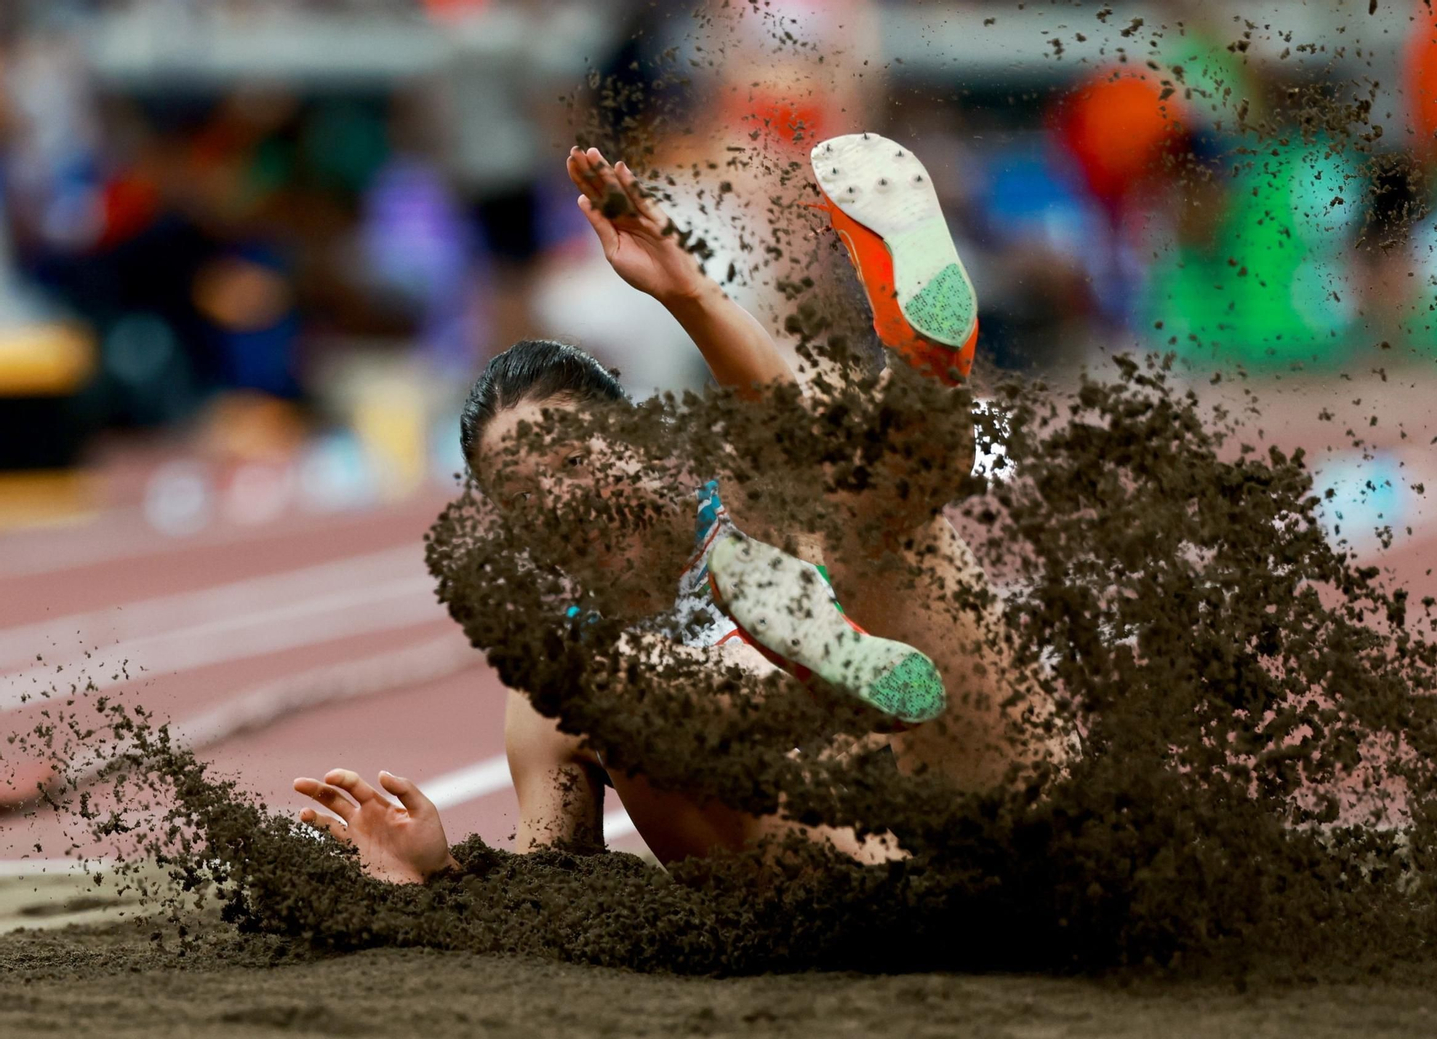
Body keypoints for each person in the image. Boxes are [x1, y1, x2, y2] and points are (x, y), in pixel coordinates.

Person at [292, 134, 1023, 884]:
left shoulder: (747, 507)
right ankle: (810, 644)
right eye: (527, 497)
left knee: (848, 489)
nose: (563, 502)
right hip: (845, 925)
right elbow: (553, 885)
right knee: (620, 671)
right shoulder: (553, 689)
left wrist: (689, 292)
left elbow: (779, 418)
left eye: (574, 461)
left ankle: (925, 373)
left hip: (975, 829)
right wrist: (434, 872)